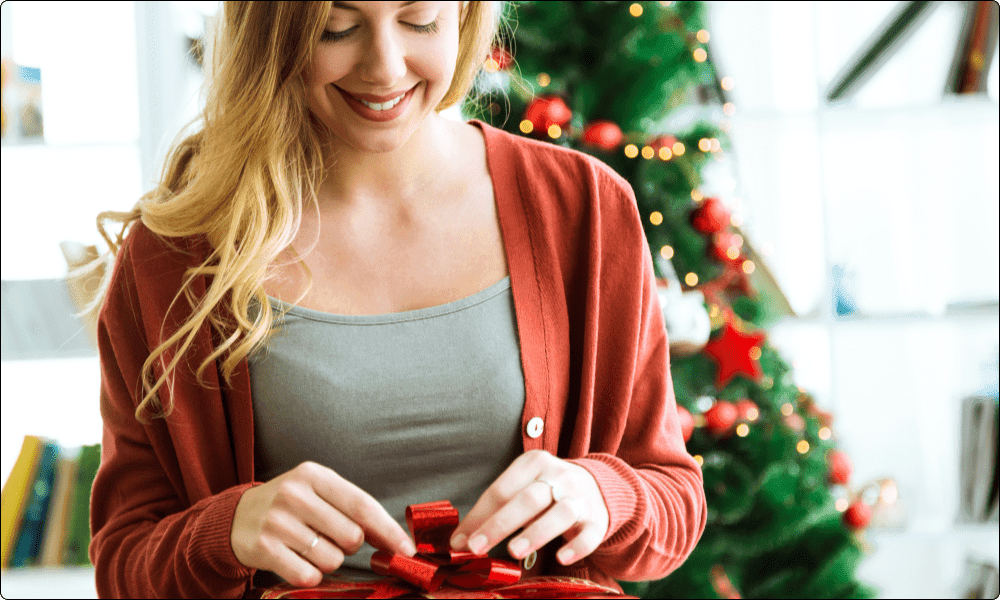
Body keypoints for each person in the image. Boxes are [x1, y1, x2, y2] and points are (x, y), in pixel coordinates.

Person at [87, 1, 707, 598]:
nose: (384, 66)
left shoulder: (584, 208)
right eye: (336, 30)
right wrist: (224, 534)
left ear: (462, 15)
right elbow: (123, 565)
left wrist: (601, 496)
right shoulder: (176, 255)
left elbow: (674, 500)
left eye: (419, 21)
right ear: (272, 34)